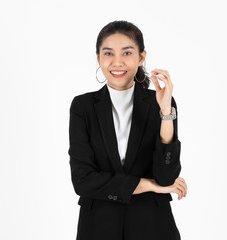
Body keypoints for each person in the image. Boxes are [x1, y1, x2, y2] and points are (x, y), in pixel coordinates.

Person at [68, 20, 188, 240]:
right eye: (108, 53)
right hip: (98, 228)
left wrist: (165, 113)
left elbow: (167, 177)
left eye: (126, 53)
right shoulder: (83, 107)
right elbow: (83, 181)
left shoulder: (160, 104)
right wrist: (148, 185)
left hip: (153, 226)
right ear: (98, 58)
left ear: (141, 57)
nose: (117, 62)